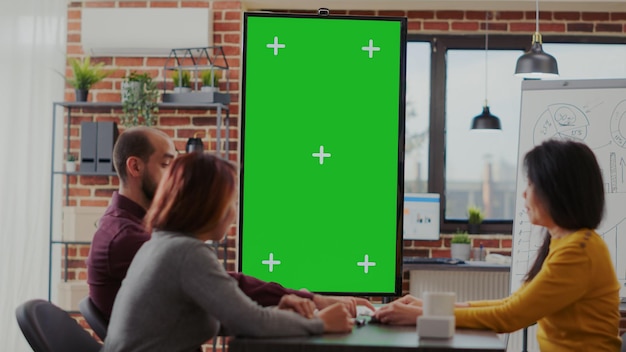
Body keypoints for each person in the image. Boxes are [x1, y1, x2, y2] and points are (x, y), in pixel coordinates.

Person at [87, 126, 373, 320]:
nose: (174, 176)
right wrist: (314, 306)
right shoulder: (126, 238)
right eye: (166, 165)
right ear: (135, 167)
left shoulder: (135, 227)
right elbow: (225, 287)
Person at [375, 139, 622, 351]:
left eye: (531, 184)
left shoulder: (579, 251)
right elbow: (511, 303)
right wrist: (429, 306)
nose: (524, 194)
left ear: (557, 190)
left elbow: (509, 316)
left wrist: (421, 314)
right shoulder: (568, 242)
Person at [102, 152, 354, 351]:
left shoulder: (160, 244)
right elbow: (252, 323)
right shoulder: (186, 253)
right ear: (208, 205)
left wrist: (279, 312)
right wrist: (320, 323)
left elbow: (233, 316)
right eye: (231, 202)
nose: (234, 213)